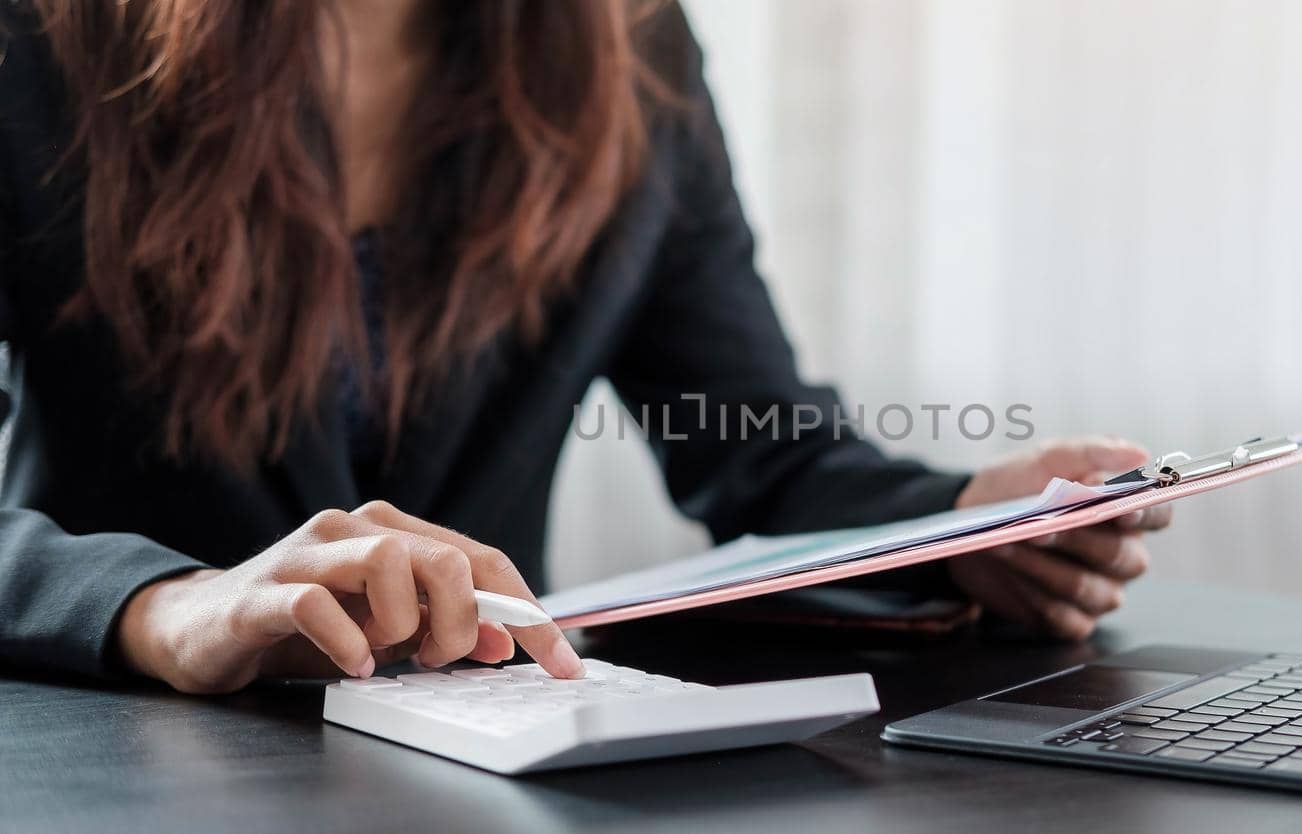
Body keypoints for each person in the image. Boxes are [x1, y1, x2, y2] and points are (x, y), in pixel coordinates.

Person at [0, 0, 1170, 694]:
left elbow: (757, 444)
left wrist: (967, 519)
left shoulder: (627, 48)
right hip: (122, 752)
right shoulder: (38, 44)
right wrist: (165, 609)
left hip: (476, 750)